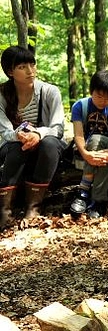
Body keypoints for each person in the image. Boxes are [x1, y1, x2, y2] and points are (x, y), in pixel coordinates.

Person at [0, 45, 64, 229]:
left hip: (46, 146)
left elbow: (58, 128)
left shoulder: (49, 91)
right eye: (22, 67)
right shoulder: (2, 95)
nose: (30, 71)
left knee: (49, 143)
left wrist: (38, 134)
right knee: (15, 145)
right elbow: (4, 132)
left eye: (32, 64)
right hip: (15, 147)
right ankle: (4, 211)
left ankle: (33, 207)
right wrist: (20, 135)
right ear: (10, 72)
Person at [68, 70, 108, 219]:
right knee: (94, 141)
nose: (103, 101)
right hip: (86, 148)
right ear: (91, 91)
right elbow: (78, 135)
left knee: (98, 143)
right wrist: (86, 154)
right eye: (99, 96)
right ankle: (98, 200)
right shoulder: (80, 106)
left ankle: (83, 191)